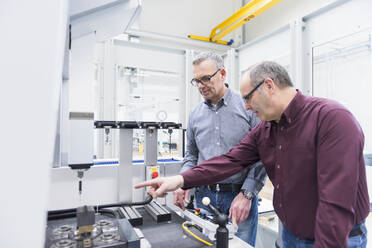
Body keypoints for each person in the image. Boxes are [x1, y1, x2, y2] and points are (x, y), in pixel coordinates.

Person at [136, 61, 370, 248]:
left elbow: (335, 205)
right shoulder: (266, 129)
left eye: (248, 97)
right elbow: (230, 160)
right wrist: (179, 180)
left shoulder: (332, 119)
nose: (246, 106)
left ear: (269, 85)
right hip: (290, 234)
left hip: (336, 238)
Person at [173, 52, 266, 246]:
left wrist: (247, 194)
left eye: (206, 78)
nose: (200, 86)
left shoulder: (247, 107)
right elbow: (191, 155)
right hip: (203, 197)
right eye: (196, 81)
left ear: (222, 74)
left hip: (238, 198)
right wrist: (184, 181)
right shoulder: (195, 115)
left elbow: (262, 155)